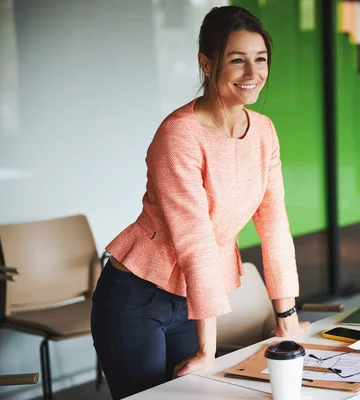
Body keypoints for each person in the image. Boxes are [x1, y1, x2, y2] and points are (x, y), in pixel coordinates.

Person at [90, 6, 309, 399]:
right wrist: (208, 349)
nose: (252, 73)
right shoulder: (179, 135)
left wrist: (287, 318)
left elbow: (274, 225)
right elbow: (195, 240)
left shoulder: (263, 131)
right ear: (206, 64)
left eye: (260, 60)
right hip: (138, 296)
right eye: (237, 60)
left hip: (192, 300)